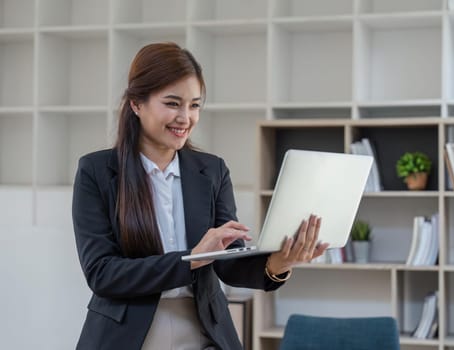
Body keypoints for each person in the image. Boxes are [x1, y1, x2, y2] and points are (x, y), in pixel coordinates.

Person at [72, 42, 329, 350]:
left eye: (194, 105)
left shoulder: (212, 171)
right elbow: (103, 274)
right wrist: (191, 260)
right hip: (126, 334)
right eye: (172, 103)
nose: (185, 118)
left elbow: (227, 262)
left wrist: (278, 262)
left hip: (203, 331)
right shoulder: (97, 171)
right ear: (136, 104)